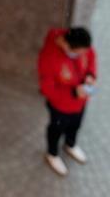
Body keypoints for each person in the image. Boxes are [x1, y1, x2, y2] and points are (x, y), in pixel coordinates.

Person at [37, 27, 97, 176]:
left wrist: (90, 75)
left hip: (80, 103)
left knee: (75, 125)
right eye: (79, 53)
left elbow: (91, 56)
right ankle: (52, 154)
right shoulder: (48, 59)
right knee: (56, 131)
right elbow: (47, 90)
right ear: (66, 45)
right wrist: (73, 92)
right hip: (60, 107)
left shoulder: (80, 44)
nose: (83, 55)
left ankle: (70, 144)